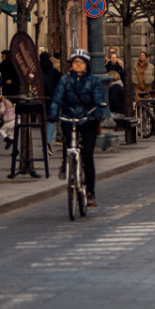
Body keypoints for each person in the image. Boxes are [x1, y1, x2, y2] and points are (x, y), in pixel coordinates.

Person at [49, 51, 107, 209]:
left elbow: (98, 98)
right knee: (68, 142)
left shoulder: (93, 81)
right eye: (75, 62)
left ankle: (90, 192)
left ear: (86, 64)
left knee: (87, 156)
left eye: (81, 62)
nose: (78, 65)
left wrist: (98, 112)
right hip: (70, 117)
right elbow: (57, 98)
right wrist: (53, 113)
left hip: (88, 120)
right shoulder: (65, 81)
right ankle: (65, 163)